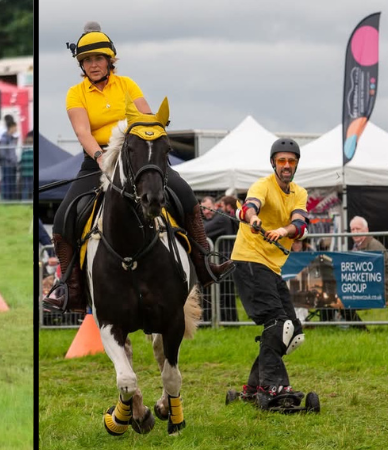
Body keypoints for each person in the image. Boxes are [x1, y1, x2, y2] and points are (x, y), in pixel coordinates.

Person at [43, 21, 233, 313]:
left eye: (98, 58)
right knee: (63, 218)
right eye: (87, 60)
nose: (93, 65)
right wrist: (100, 157)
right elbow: (83, 132)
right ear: (81, 64)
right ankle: (71, 288)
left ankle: (204, 264)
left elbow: (147, 118)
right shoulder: (75, 93)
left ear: (110, 60)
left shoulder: (127, 85)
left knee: (184, 195)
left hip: (136, 156)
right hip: (98, 158)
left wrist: (151, 142)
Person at [230, 137, 309, 407]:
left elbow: (299, 223)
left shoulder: (299, 192)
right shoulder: (262, 185)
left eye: (291, 160)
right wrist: (253, 219)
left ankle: (253, 388)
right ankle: (273, 386)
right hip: (249, 260)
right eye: (281, 160)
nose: (286, 165)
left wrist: (283, 231)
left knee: (293, 331)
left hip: (271, 267)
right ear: (274, 163)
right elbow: (250, 206)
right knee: (278, 324)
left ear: (296, 163)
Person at [350, 215, 388, 308]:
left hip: (376, 291)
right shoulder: (356, 246)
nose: (355, 232)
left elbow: (380, 275)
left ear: (366, 230)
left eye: (358, 229)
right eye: (352, 229)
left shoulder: (374, 247)